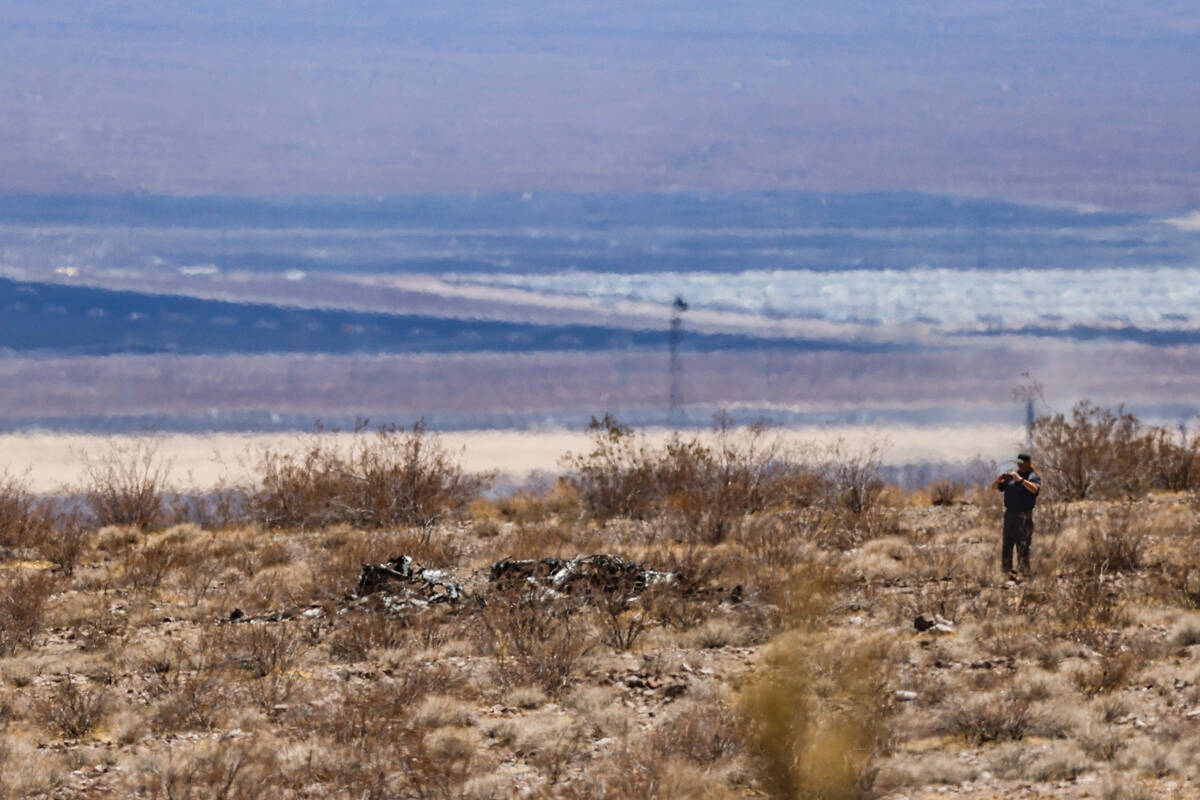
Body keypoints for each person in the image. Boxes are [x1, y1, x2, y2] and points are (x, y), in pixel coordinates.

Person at [991, 452, 1041, 575]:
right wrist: (999, 479)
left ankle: (1024, 571)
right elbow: (994, 488)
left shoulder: (1032, 476)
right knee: (1007, 543)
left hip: (1024, 515)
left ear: (1029, 463)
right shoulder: (1012, 477)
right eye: (1019, 464)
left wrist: (1021, 480)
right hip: (1009, 515)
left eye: (1022, 464)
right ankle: (1006, 571)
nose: (1020, 466)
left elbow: (1035, 489)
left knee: (1023, 545)